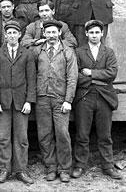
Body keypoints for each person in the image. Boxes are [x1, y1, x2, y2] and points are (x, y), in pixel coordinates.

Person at [72, 20, 122, 180]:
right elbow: (76, 76)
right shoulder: (79, 52)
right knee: (82, 134)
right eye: (91, 32)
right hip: (84, 97)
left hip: (104, 97)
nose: (94, 35)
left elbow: (112, 73)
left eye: (97, 32)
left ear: (102, 34)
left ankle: (108, 166)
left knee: (105, 134)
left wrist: (91, 74)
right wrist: (97, 78)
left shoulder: (109, 52)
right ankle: (79, 165)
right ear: (86, 34)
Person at [0, 20, 36, 184]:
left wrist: (29, 101)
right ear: (5, 35)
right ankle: (4, 169)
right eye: (8, 32)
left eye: (14, 33)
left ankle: (20, 170)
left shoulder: (27, 54)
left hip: (21, 101)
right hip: (2, 102)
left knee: (22, 138)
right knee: (2, 137)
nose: (11, 35)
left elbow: (31, 79)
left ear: (20, 35)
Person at [33, 20, 78, 183]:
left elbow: (72, 78)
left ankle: (64, 168)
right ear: (44, 34)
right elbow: (31, 74)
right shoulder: (38, 50)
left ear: (59, 33)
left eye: (54, 32)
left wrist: (68, 100)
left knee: (62, 134)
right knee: (44, 135)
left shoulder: (68, 51)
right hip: (42, 97)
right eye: (48, 32)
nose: (51, 35)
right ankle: (51, 167)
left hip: (60, 99)